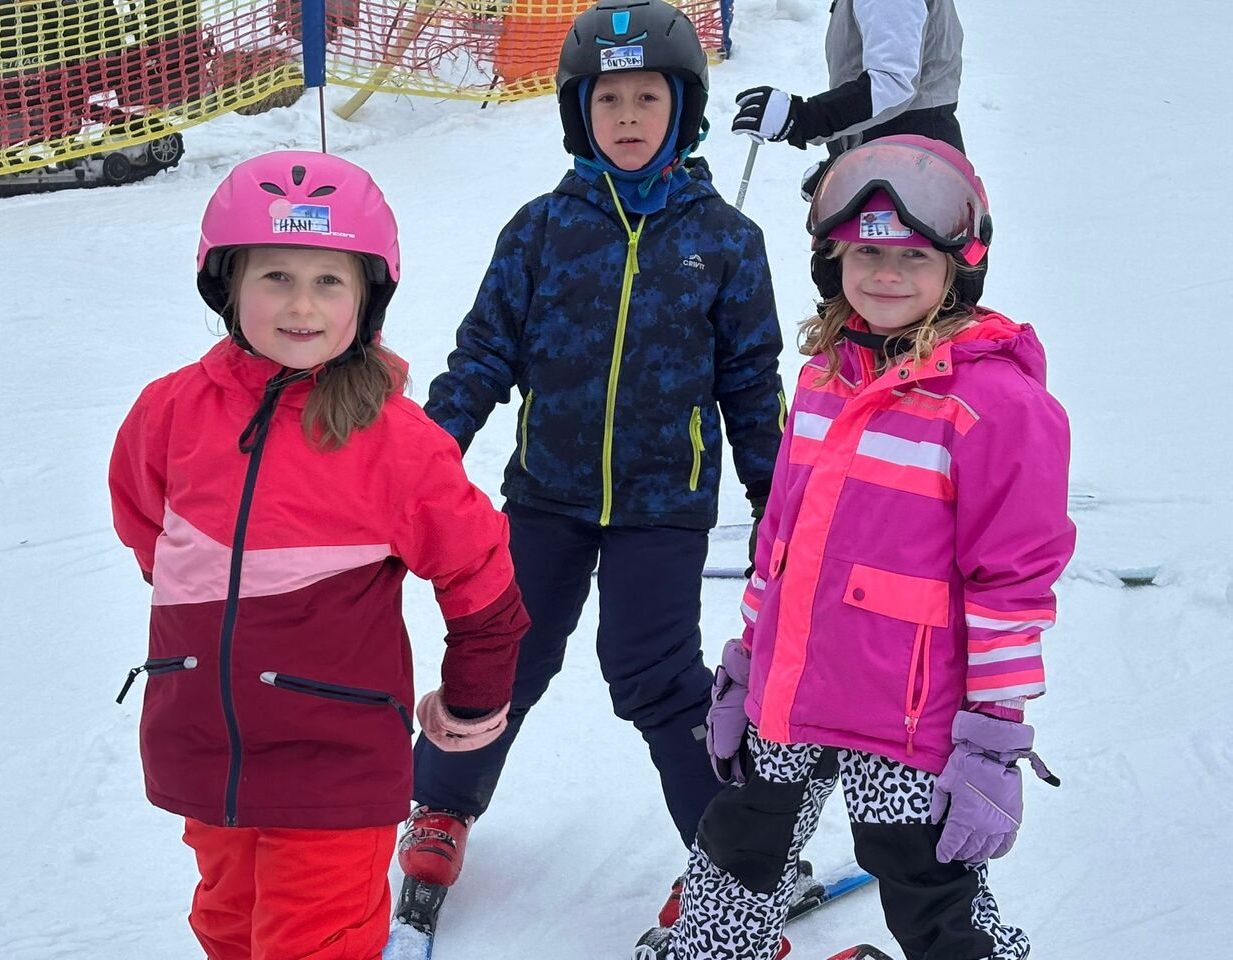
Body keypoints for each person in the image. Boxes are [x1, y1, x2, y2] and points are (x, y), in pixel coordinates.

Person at [397, 0, 785, 931]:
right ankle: (441, 805)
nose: (627, 116)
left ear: (683, 109)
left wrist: (779, 504)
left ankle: (729, 858)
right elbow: (482, 357)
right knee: (507, 652)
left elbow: (751, 385)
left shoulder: (726, 242)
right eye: (608, 99)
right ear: (580, 112)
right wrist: (416, 462)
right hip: (548, 495)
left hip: (663, 506)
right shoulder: (540, 231)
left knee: (657, 673)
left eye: (647, 97)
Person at [638, 135, 1076, 960]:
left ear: (958, 268)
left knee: (921, 873)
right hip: (793, 684)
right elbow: (780, 542)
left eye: (914, 256)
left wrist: (992, 733)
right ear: (832, 259)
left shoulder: (994, 406)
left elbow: (1012, 587)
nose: (887, 275)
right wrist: (748, 659)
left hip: (909, 711)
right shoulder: (821, 380)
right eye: (868, 252)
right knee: (740, 840)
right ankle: (712, 949)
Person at [108, 150, 530, 960]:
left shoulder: (397, 442)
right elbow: (146, 532)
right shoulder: (168, 413)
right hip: (207, 752)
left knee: (311, 945)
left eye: (328, 281)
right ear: (227, 284)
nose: (301, 305)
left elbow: (480, 574)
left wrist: (473, 702)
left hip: (334, 763)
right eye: (276, 276)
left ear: (366, 298)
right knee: (227, 928)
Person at [730, 0, 967, 197]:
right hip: (893, 157)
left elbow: (892, 84)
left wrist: (802, 118)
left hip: (912, 167)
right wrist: (843, 161)